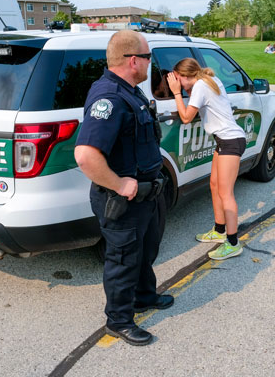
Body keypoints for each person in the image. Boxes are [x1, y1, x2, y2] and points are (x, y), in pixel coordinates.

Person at [74, 30, 174, 347]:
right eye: (148, 58)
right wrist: (119, 184)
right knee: (123, 260)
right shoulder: (110, 98)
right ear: (133, 60)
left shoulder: (129, 90)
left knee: (145, 250)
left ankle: (144, 296)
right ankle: (118, 320)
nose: (150, 64)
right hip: (122, 200)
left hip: (147, 194)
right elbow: (86, 155)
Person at [166, 58, 246, 261]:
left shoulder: (201, 85)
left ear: (185, 76)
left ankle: (233, 243)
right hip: (225, 140)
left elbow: (186, 117)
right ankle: (219, 230)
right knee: (214, 185)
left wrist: (176, 92)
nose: (177, 83)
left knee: (226, 193)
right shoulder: (208, 80)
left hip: (230, 141)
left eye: (177, 79)